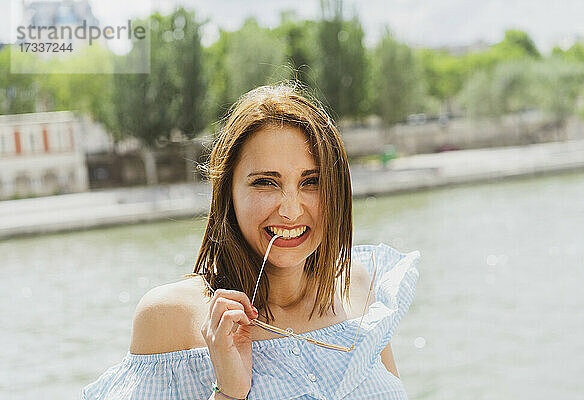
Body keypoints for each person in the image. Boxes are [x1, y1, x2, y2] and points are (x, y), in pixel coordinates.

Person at [81, 83, 420, 400]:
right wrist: (229, 392)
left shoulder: (360, 286)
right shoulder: (171, 318)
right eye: (265, 183)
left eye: (312, 181)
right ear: (228, 192)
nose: (290, 209)